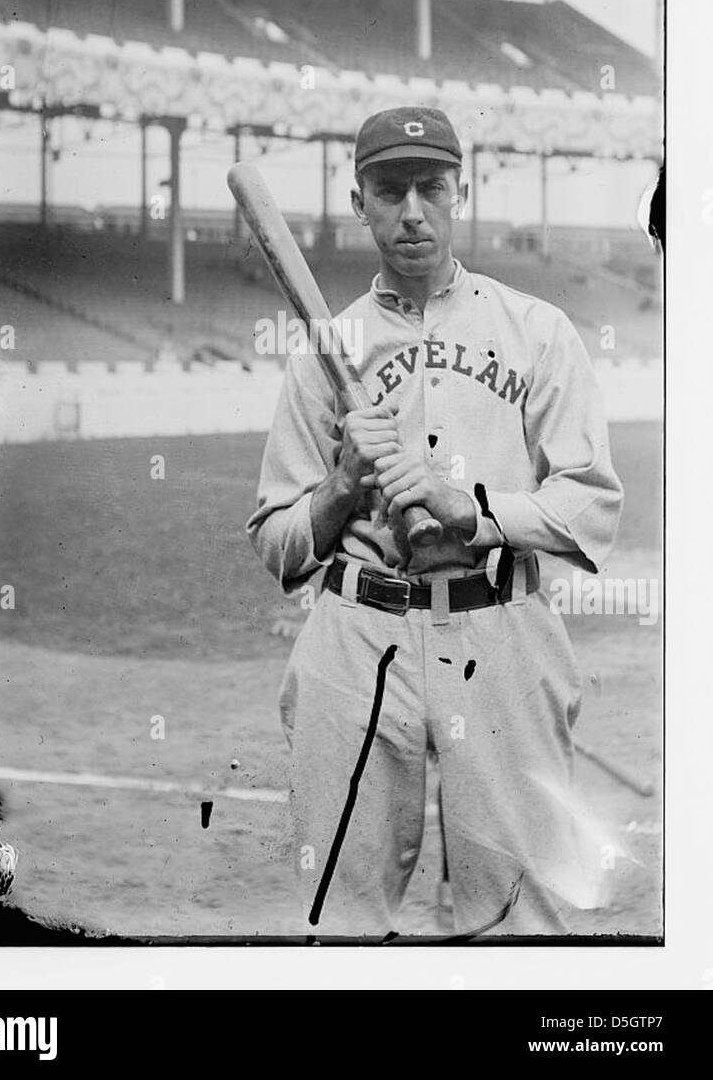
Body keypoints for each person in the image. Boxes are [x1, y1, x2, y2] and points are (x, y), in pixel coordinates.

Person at [247, 106, 623, 937]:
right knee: (337, 918)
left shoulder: (536, 331)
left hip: (500, 629)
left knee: (519, 919)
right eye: (389, 191)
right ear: (360, 201)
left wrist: (479, 511)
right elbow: (276, 545)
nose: (411, 210)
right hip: (356, 632)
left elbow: (592, 502)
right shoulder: (326, 345)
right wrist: (343, 483)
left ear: (461, 191)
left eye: (430, 188)